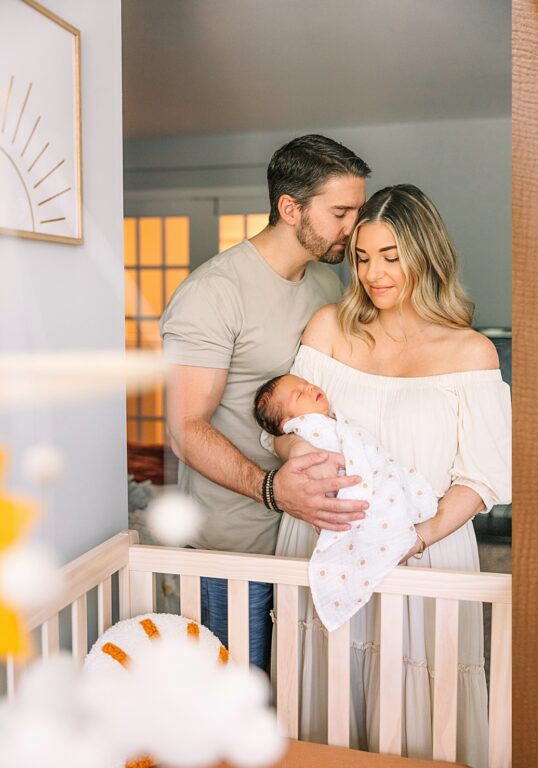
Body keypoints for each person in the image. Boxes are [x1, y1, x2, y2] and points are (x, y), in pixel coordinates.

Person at [267, 184, 511, 766]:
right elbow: (286, 427)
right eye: (362, 257)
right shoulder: (329, 328)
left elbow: (480, 479)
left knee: (418, 706)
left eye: (391, 257)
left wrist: (415, 538)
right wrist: (301, 464)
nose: (374, 274)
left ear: (426, 255)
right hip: (325, 535)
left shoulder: (471, 352)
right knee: (323, 694)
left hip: (423, 548)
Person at [161, 135, 372, 673]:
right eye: (341, 213)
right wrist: (274, 490)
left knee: (301, 700)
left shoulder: (328, 283)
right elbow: (185, 429)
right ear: (290, 208)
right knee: (239, 697)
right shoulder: (214, 292)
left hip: (313, 541)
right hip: (235, 547)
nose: (354, 229)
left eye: (358, 212)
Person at [252, 373, 437, 630]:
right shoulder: (306, 430)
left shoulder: (335, 422)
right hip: (349, 494)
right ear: (288, 423)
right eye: (298, 394)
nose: (309, 388)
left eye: (306, 384)